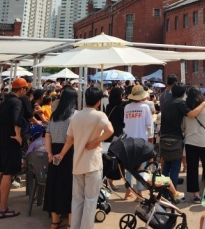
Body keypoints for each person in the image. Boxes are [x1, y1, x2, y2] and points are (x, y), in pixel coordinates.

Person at [57, 87, 113, 229]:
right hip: (93, 163)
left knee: (77, 200)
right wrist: (97, 141)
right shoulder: (99, 115)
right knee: (91, 199)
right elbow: (110, 131)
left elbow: (69, 140)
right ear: (99, 101)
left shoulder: (75, 116)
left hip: (77, 164)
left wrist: (61, 154)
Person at [0, 77, 29, 219]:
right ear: (22, 89)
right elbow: (17, 120)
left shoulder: (3, 102)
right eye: (25, 89)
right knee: (8, 174)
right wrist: (17, 135)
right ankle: (3, 208)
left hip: (0, 140)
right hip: (11, 141)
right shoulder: (17, 102)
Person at [160, 82, 205, 188]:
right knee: (175, 167)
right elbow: (192, 114)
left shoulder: (166, 102)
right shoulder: (180, 103)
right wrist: (203, 104)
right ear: (183, 93)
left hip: (163, 136)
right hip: (175, 138)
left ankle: (162, 190)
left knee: (166, 166)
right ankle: (172, 193)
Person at [44, 86, 78, 229]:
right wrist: (62, 154)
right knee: (70, 187)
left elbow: (47, 135)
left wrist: (50, 154)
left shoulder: (54, 115)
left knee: (54, 185)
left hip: (54, 151)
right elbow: (71, 140)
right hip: (68, 153)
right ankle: (70, 223)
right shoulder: (75, 116)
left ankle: (55, 221)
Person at [183, 86, 205, 204]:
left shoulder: (187, 111)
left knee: (192, 169)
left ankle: (196, 195)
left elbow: (182, 127)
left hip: (190, 141)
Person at [123, 85, 153, 199]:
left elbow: (126, 122)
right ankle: (139, 192)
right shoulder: (145, 107)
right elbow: (149, 124)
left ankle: (128, 191)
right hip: (141, 141)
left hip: (129, 141)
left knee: (129, 167)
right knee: (141, 168)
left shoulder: (127, 107)